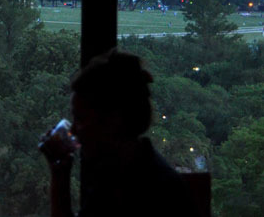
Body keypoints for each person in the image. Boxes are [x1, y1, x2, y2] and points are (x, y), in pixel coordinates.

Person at [40, 49, 198, 217]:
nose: (72, 130)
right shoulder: (123, 173)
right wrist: (60, 175)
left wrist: (60, 178)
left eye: (81, 118)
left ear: (113, 119)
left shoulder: (144, 189)